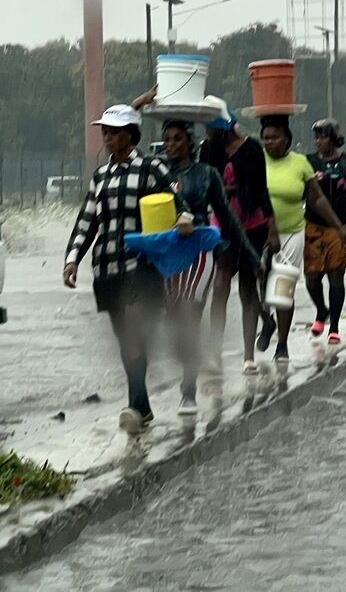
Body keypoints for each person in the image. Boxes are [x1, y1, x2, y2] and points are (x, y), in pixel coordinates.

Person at [64, 102, 194, 434]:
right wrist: (72, 259)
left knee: (137, 332)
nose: (106, 137)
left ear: (130, 136)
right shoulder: (101, 176)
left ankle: (134, 406)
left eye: (113, 132)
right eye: (104, 131)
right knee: (126, 341)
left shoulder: (152, 168)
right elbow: (88, 221)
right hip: (107, 268)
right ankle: (142, 405)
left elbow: (178, 204)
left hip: (143, 265)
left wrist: (184, 219)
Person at [161, 118, 258, 412]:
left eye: (178, 139)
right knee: (174, 320)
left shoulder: (207, 174)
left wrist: (251, 253)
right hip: (166, 253)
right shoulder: (157, 172)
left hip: (199, 253)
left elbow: (227, 217)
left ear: (191, 142)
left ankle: (188, 391)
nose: (171, 145)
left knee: (191, 315)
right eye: (167, 140)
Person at [257, 115, 346, 360]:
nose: (269, 142)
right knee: (256, 289)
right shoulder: (255, 161)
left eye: (275, 137)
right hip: (258, 232)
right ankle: (267, 322)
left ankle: (282, 345)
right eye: (265, 137)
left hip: (292, 233)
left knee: (282, 288)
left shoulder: (300, 163)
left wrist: (337, 226)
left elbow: (316, 198)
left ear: (286, 139)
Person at [199, 105, 279, 375]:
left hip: (251, 226)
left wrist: (272, 227)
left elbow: (260, 189)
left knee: (247, 288)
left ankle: (248, 356)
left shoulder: (252, 149)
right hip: (221, 227)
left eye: (211, 129)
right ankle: (214, 353)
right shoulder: (207, 150)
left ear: (224, 129)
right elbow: (204, 186)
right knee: (220, 287)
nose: (207, 134)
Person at [305, 119, 346, 345]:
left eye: (322, 136)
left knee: (336, 274)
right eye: (315, 137)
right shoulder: (309, 162)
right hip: (313, 225)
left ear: (333, 138)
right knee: (312, 277)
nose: (317, 141)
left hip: (342, 226)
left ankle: (333, 327)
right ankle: (320, 310)